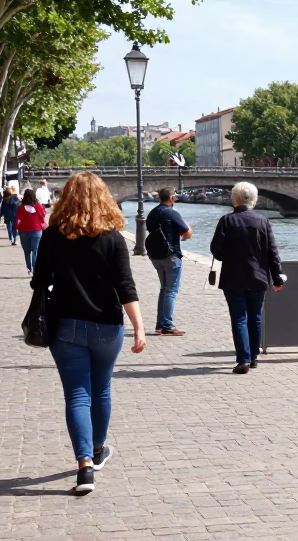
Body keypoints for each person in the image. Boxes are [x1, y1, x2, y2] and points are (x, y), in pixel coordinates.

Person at [30, 172, 146, 495]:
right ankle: (97, 449)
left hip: (64, 324)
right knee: (102, 389)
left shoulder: (52, 236)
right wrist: (139, 327)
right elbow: (126, 287)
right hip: (107, 325)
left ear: (65, 198)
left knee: (77, 395)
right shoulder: (113, 238)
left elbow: (39, 281)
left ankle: (84, 468)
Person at [209, 182, 284, 374]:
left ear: (235, 199)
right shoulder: (262, 221)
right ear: (254, 199)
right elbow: (272, 251)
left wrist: (229, 254)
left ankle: (242, 359)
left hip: (233, 277)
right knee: (255, 317)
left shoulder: (227, 221)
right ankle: (253, 358)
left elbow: (216, 251)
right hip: (258, 277)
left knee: (239, 318)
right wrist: (277, 277)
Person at [145, 187, 193, 336]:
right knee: (171, 290)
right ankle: (167, 324)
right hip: (171, 256)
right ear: (171, 198)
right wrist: (189, 227)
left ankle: (160, 324)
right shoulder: (171, 212)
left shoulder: (153, 213)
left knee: (164, 289)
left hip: (156, 256)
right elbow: (187, 232)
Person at [14, 188, 47, 275]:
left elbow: (18, 220)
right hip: (36, 230)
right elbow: (42, 216)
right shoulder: (38, 206)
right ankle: (35, 268)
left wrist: (16, 229)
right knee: (35, 251)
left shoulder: (21, 208)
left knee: (27, 252)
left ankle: (29, 268)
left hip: (24, 231)